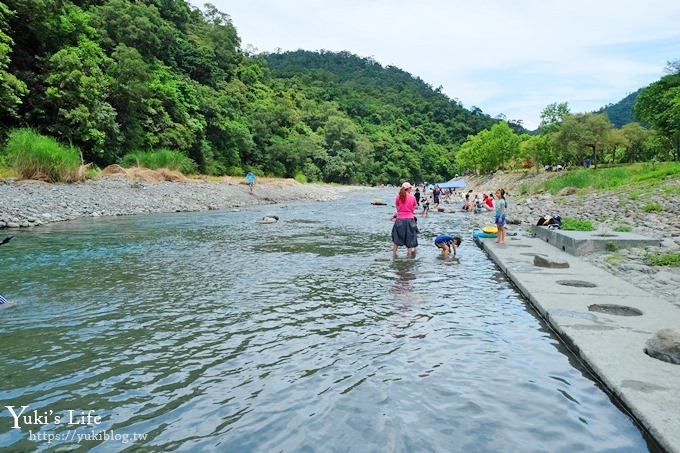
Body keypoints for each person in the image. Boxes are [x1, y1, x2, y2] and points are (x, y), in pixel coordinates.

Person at [391, 182, 418, 256]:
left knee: (396, 239)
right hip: (410, 219)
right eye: (410, 188)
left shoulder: (398, 197)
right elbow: (414, 207)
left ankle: (394, 255)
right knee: (410, 239)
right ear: (408, 188)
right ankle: (408, 258)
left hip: (399, 219)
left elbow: (397, 207)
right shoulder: (412, 197)